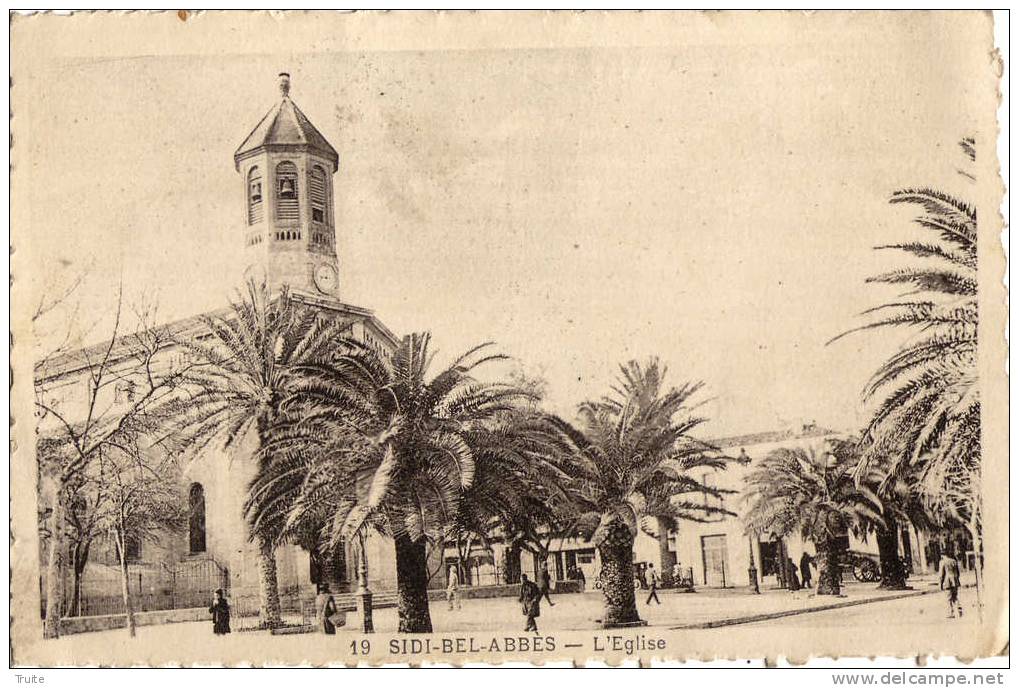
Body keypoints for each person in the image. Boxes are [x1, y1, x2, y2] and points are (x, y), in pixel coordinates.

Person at [939, 547, 964, 618]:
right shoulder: (953, 561)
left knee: (949, 598)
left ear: (942, 555)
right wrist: (956, 579)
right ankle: (959, 610)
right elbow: (958, 573)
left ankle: (951, 613)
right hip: (955, 581)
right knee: (955, 596)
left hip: (948, 582)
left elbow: (941, 575)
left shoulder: (942, 562)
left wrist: (940, 584)